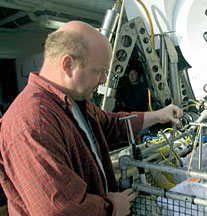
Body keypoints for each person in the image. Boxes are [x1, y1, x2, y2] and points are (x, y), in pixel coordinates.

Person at [0, 21, 183, 216]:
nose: (104, 79)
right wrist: (111, 208)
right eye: (98, 71)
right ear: (68, 65)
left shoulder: (73, 102)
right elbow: (58, 209)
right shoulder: (34, 123)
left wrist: (159, 115)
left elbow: (110, 126)